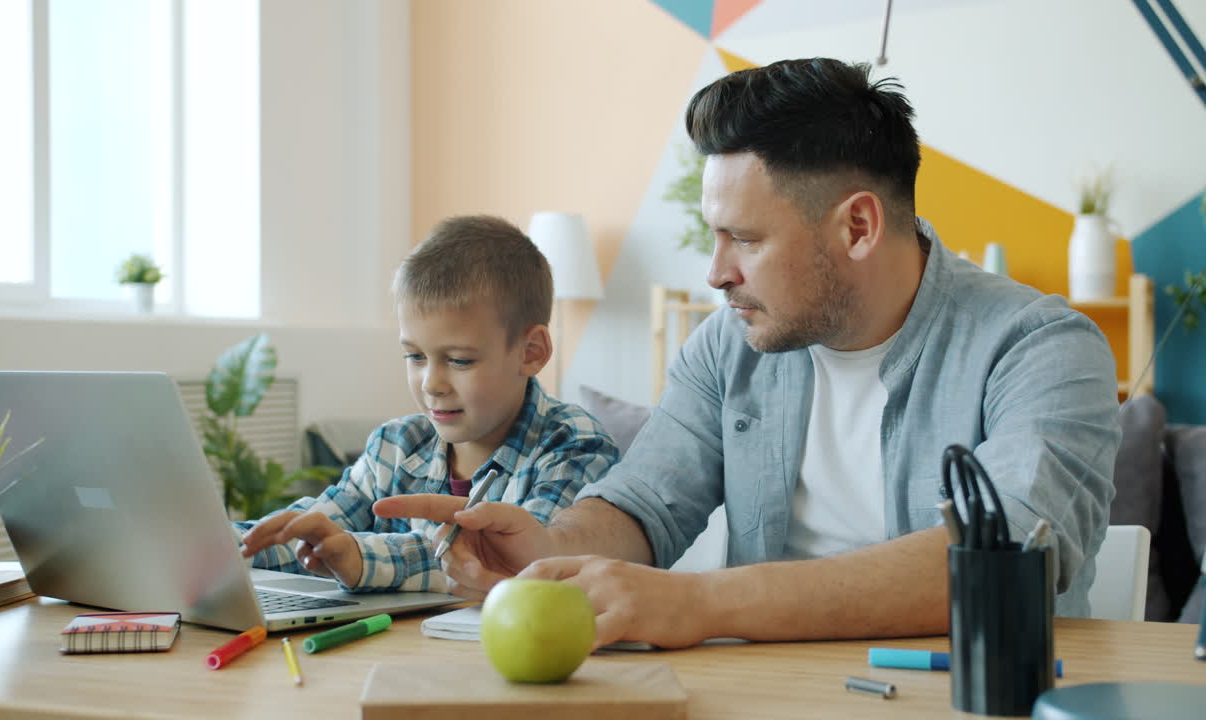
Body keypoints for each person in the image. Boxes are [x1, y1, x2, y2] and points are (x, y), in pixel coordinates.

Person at [375, 58, 1120, 648]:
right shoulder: (729, 342)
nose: (716, 271)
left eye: (748, 239)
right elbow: (645, 504)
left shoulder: (1042, 347)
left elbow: (1004, 559)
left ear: (857, 227)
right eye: (714, 235)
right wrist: (549, 545)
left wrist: (699, 602)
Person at [237, 215, 619, 593]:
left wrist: (359, 557)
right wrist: (230, 545)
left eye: (459, 360)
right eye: (415, 356)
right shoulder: (395, 444)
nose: (432, 384)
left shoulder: (574, 445)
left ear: (531, 352)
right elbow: (320, 524)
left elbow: (517, 563)